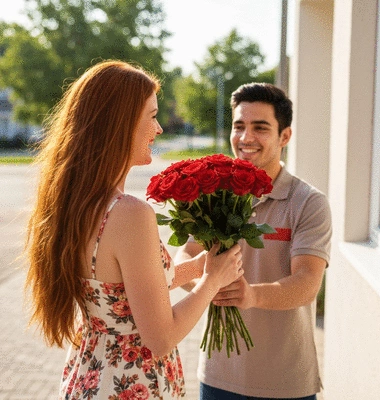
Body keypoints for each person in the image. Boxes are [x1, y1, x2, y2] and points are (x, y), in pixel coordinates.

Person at [24, 59, 244, 399]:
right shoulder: (130, 214)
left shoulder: (76, 202)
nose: (158, 129)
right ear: (120, 124)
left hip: (90, 375)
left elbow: (122, 291)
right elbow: (160, 338)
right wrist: (212, 282)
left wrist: (200, 268)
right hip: (130, 384)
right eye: (152, 116)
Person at [175, 82, 332, 400]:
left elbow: (307, 282)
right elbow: (184, 259)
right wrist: (208, 284)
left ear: (284, 136)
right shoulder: (212, 194)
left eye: (260, 128)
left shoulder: (307, 202)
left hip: (286, 382)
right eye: (239, 126)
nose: (246, 138)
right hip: (219, 377)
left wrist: (250, 295)